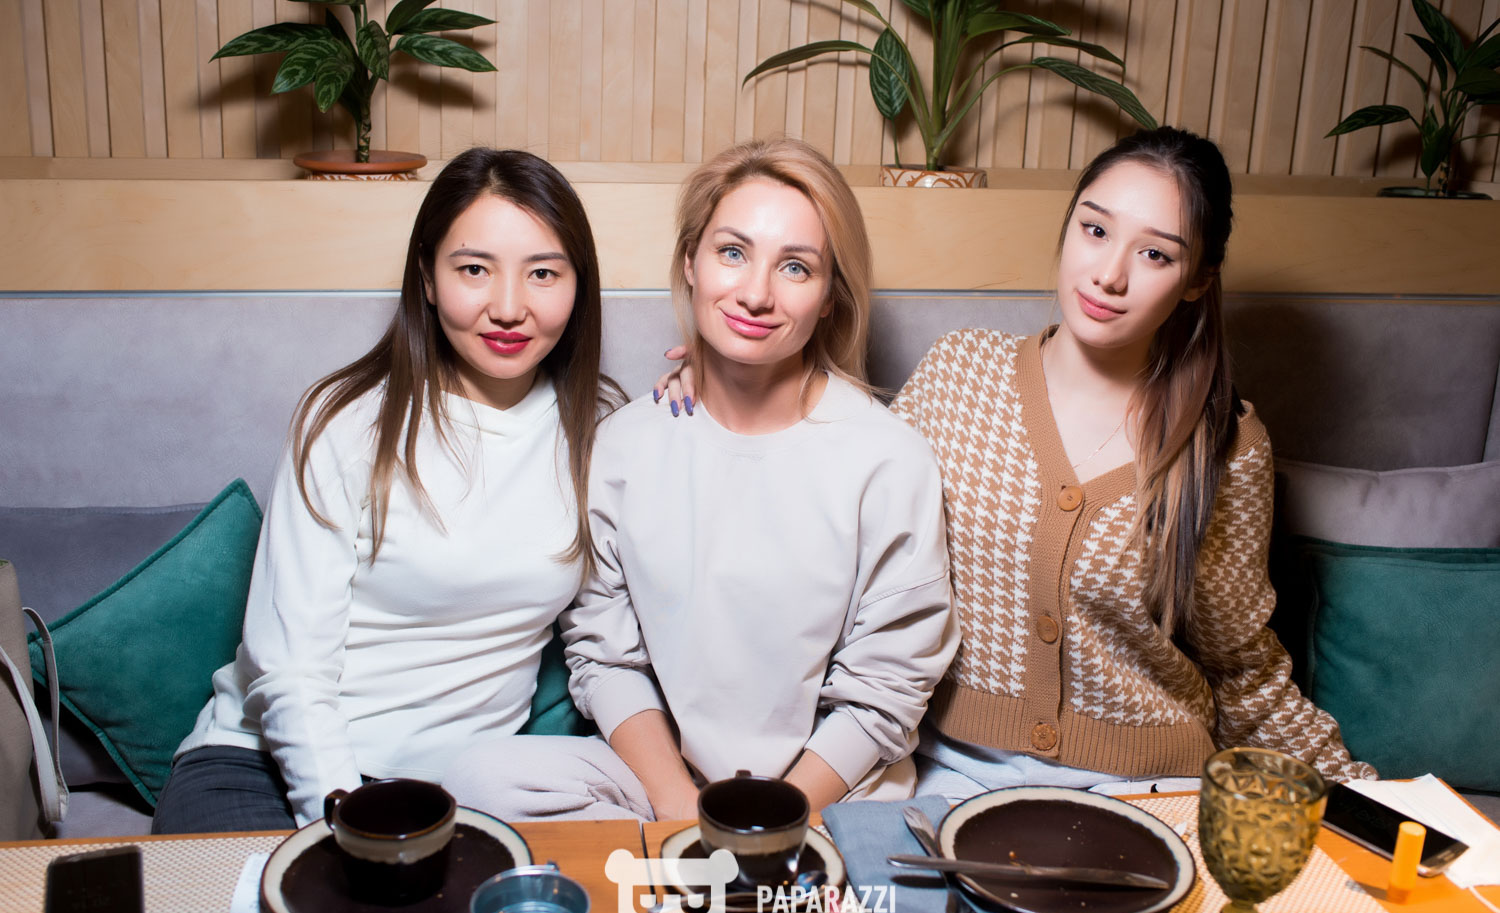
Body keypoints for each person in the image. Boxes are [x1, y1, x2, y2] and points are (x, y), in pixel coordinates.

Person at [657, 127, 1374, 798]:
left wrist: (1372, 802)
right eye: (1095, 230)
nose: (1110, 274)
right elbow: (832, 493)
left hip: (1150, 789)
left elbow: (1244, 669)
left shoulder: (1227, 445)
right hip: (951, 777)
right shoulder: (960, 374)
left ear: (1196, 279)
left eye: (1155, 254)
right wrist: (732, 377)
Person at [445, 137, 958, 821]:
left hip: (827, 797)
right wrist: (679, 807)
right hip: (664, 788)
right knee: (479, 778)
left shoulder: (890, 460)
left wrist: (772, 823)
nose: (756, 294)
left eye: (796, 267)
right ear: (690, 261)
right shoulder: (623, 444)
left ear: (830, 296)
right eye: (732, 252)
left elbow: (888, 685)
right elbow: (605, 656)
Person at [153, 148, 620, 832]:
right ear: (427, 277)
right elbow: (289, 668)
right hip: (263, 763)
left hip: (455, 789)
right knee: (265, 907)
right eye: (474, 269)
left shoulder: (602, 429)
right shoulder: (344, 418)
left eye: (543, 273)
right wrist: (353, 823)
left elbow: (633, 620)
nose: (508, 307)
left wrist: (703, 389)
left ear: (579, 286)